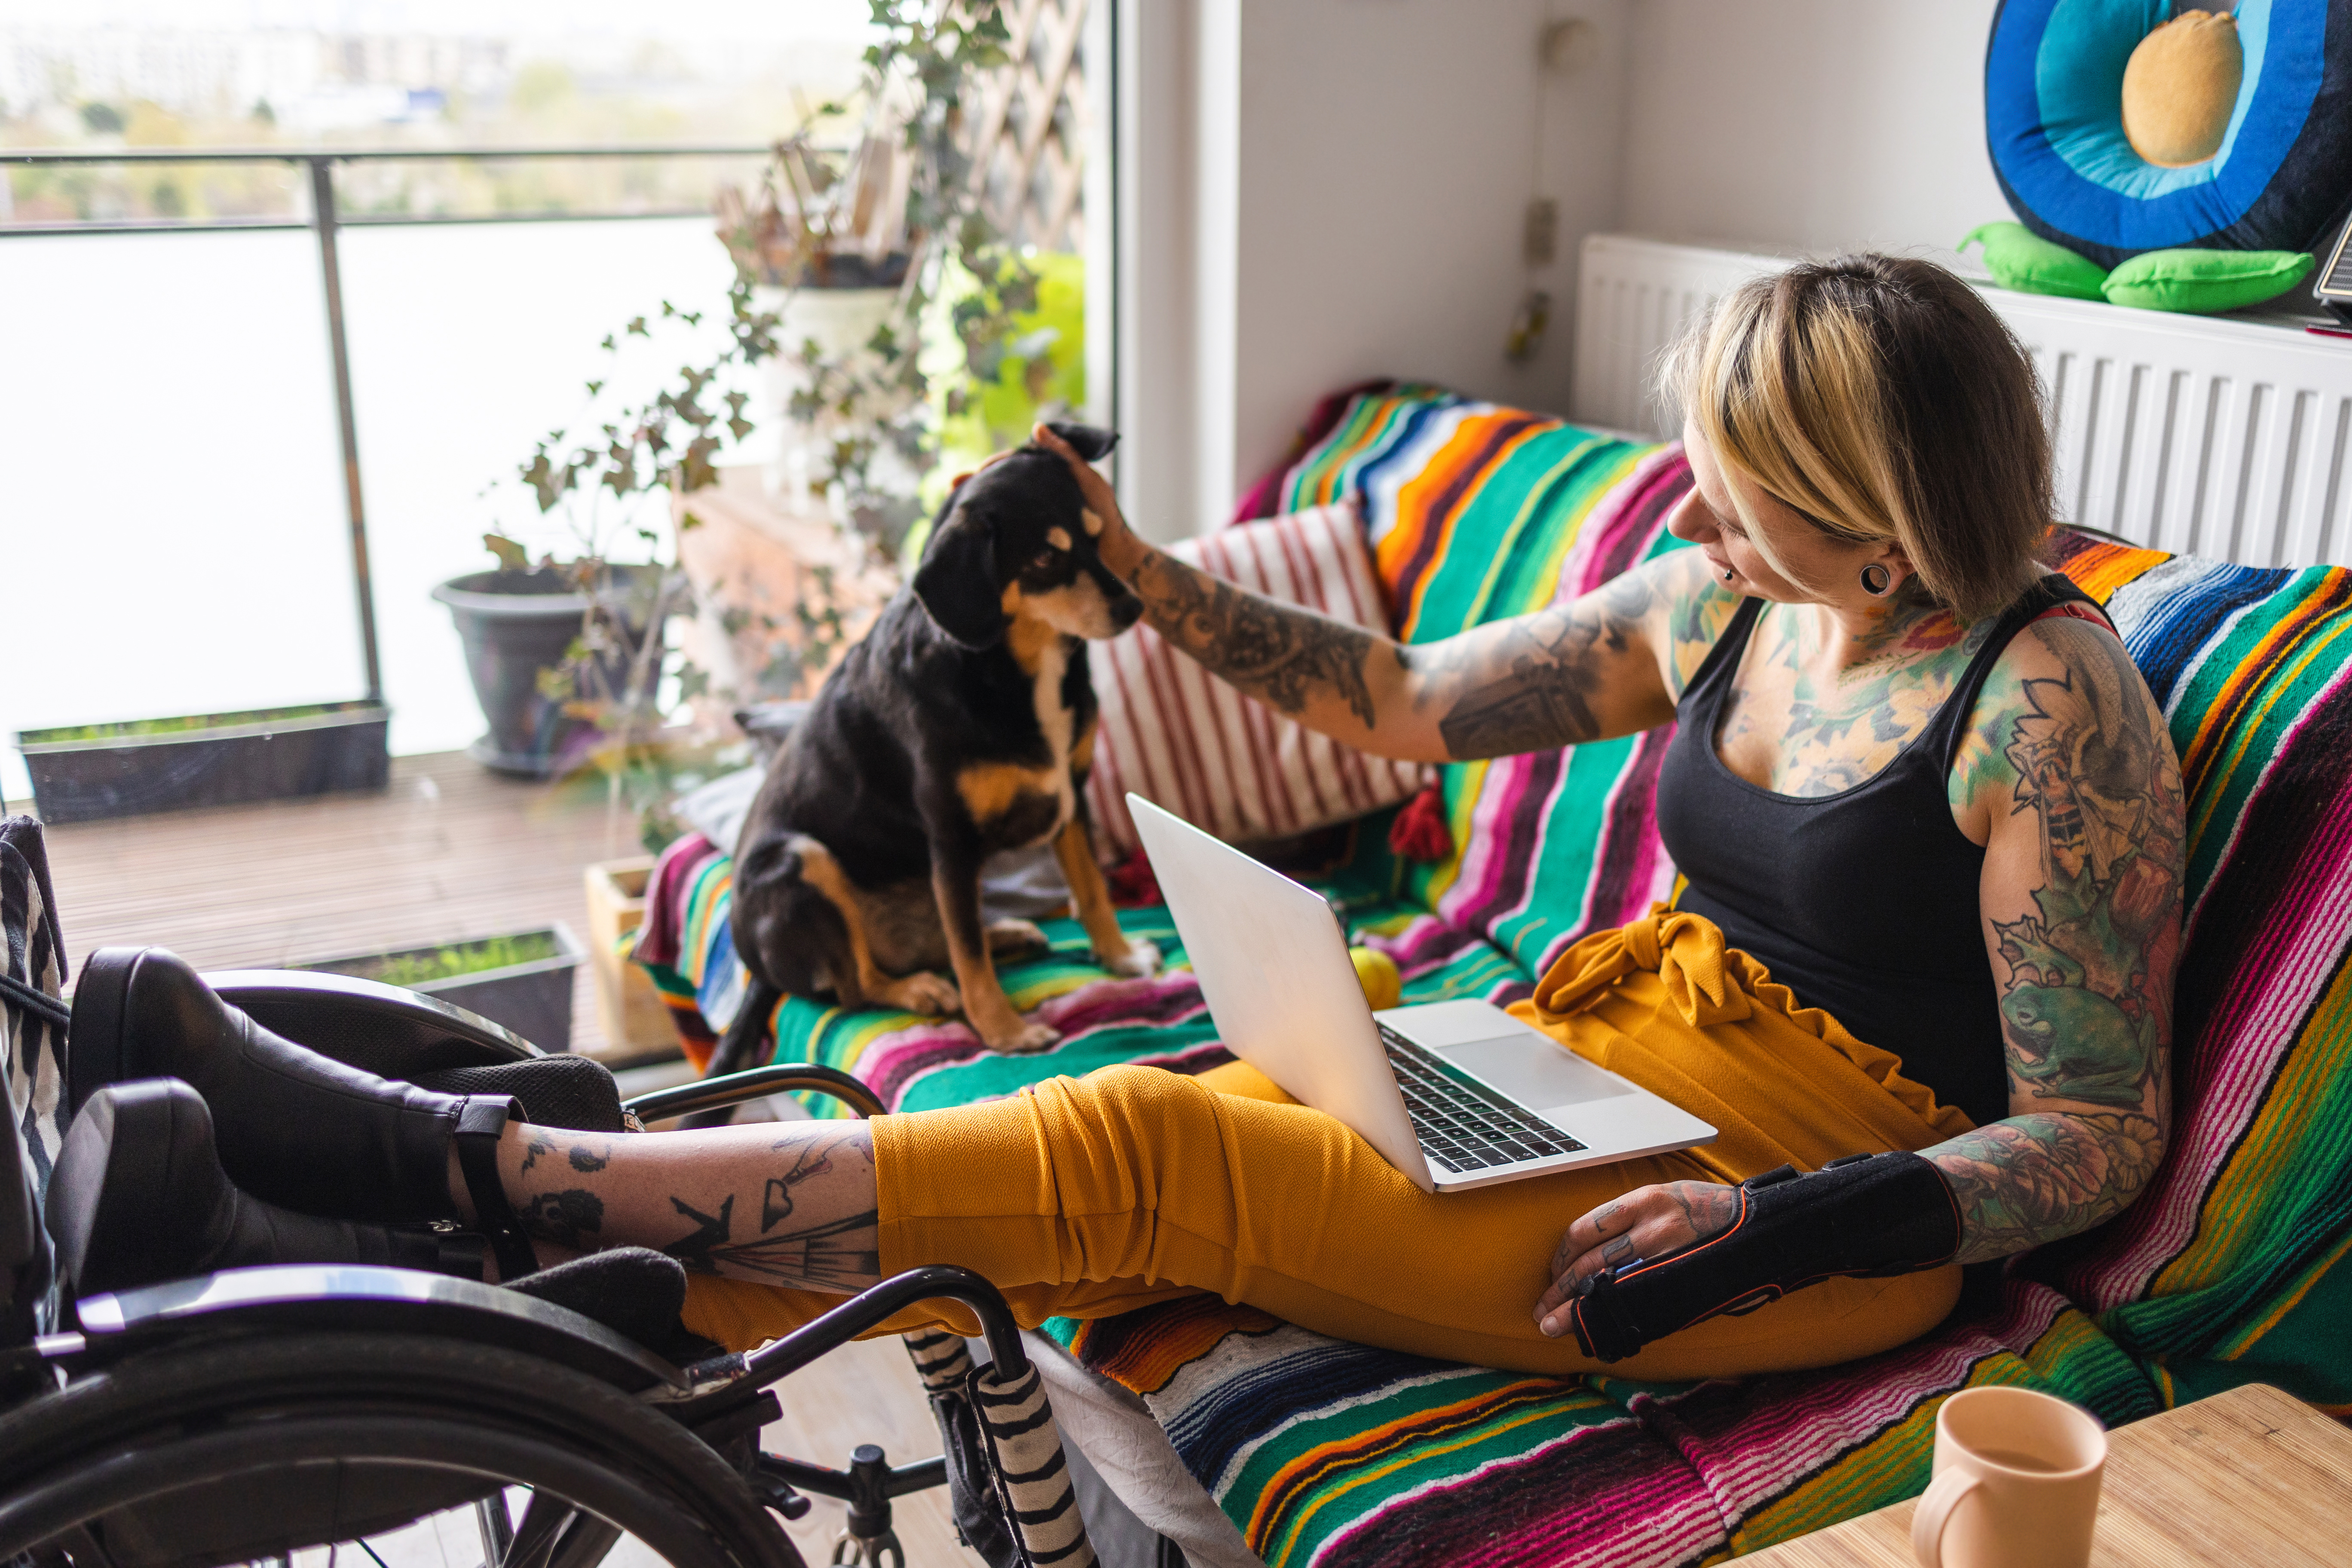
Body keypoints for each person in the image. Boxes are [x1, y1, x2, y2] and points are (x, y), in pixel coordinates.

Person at [58, 255, 2181, 1382]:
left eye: (1741, 478)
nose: (1691, 503)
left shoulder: (2052, 704)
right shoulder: (1731, 598)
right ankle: (390, 1284)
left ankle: (468, 1172)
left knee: (1148, 1161)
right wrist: (1146, 580)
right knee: (1151, 1103)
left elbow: (2099, 1131)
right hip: (1592, 1072)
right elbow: (1408, 703)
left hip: (1794, 1218)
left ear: (1885, 510)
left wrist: (1777, 1226)